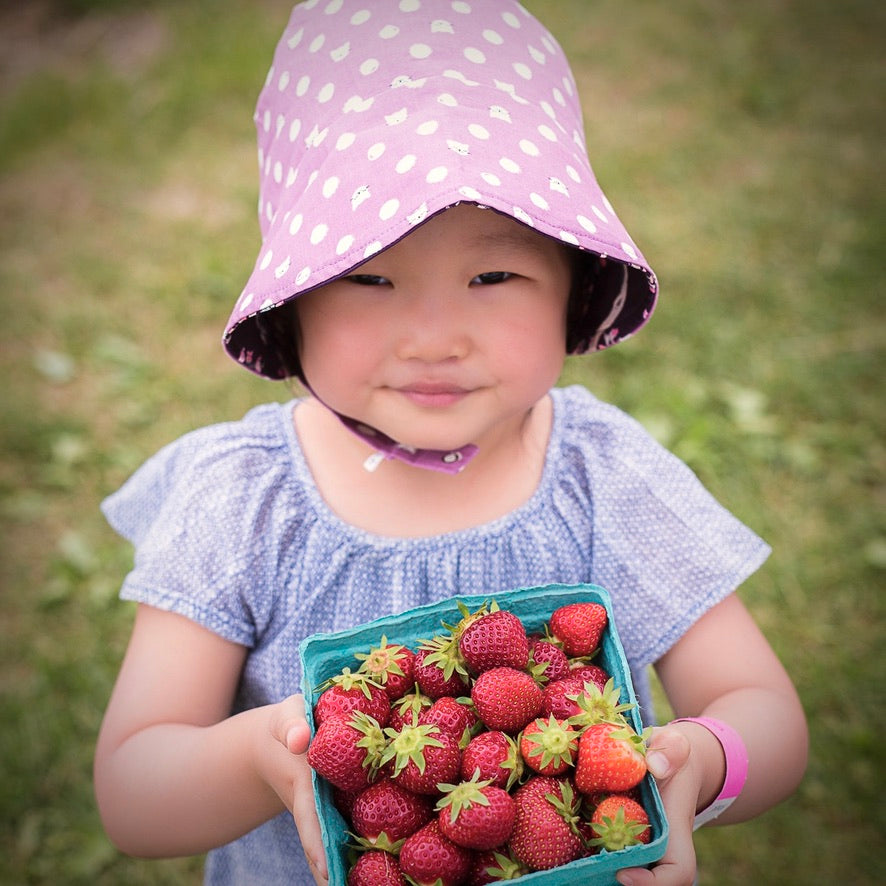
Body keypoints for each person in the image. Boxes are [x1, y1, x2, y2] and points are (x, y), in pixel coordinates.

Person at [93, 2, 808, 884]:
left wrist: (698, 764)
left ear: (571, 288)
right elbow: (133, 790)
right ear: (296, 302)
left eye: (493, 274)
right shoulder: (244, 499)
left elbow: (766, 710)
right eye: (371, 276)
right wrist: (256, 760)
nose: (435, 334)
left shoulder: (601, 473)